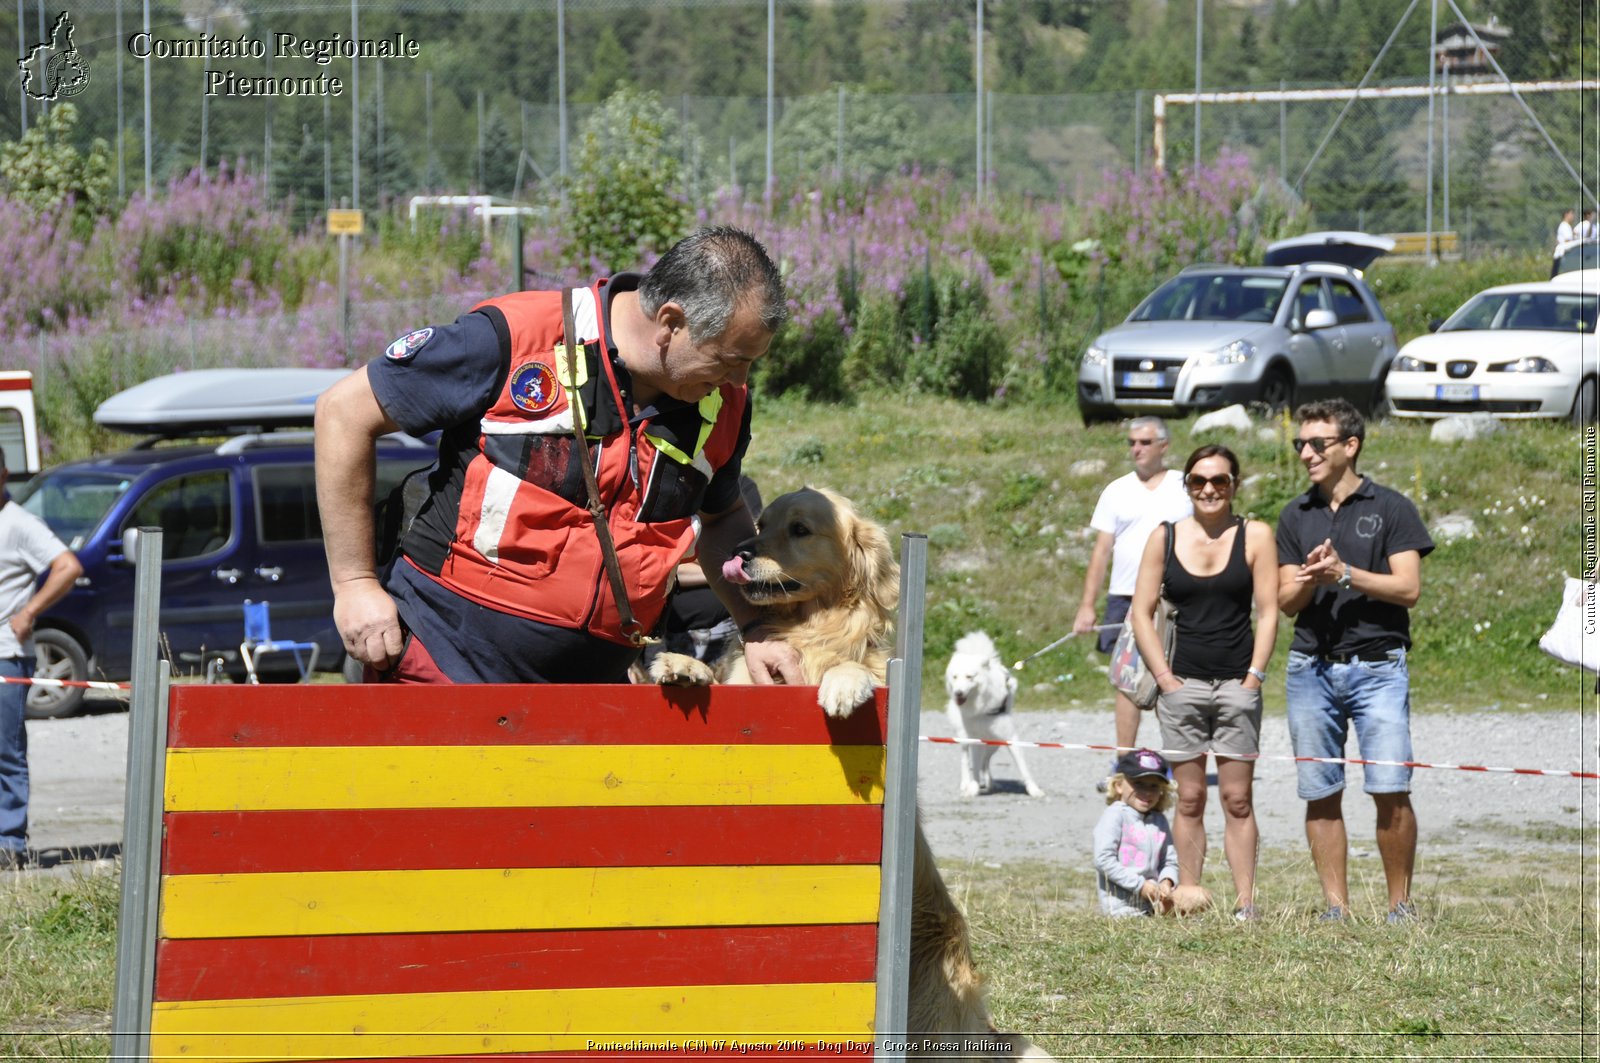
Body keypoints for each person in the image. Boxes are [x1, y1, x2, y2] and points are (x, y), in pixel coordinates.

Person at [314, 226, 804, 687]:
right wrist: (355, 584)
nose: (740, 382)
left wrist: (755, 624)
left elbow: (724, 519)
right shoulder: (514, 337)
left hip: (592, 696)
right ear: (671, 322)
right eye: (731, 360)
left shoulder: (723, 403)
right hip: (443, 665)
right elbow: (343, 412)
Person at [1276, 398, 1433, 925]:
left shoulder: (1391, 507)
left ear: (1351, 446)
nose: (1306, 453)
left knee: (1390, 788)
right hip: (1310, 670)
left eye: (1317, 443)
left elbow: (1408, 588)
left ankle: (1400, 906)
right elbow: (1283, 602)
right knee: (1320, 792)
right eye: (1300, 443)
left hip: (1378, 668)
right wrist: (1304, 580)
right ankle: (1336, 909)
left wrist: (1345, 574)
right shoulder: (1295, 515)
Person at [1129, 444, 1277, 922]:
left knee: (1237, 799)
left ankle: (1245, 903)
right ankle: (1188, 897)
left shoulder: (1255, 534)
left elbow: (1269, 610)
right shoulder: (1165, 537)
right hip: (1183, 685)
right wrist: (1165, 679)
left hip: (1237, 684)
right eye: (1199, 481)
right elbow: (1141, 611)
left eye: (1220, 481)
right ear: (1187, 485)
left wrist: (1254, 677)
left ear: (1235, 485)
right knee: (1190, 797)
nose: (1209, 489)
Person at [1072, 416, 1192, 779]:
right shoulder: (1117, 490)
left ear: (1163, 446)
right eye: (1131, 443)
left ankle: (1175, 758)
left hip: (1171, 596)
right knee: (1127, 679)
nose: (1136, 449)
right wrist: (1087, 605)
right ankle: (1125, 760)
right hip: (1125, 596)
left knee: (1170, 675)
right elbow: (1101, 550)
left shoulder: (1183, 486)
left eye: (1144, 442)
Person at [0, 447, 83, 870]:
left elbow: (67, 565)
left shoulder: (20, 524)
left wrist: (29, 612)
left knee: (5, 752)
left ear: (4, 473)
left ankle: (9, 844)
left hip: (6, 658)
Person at [637, 475, 763, 679]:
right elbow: (650, 565)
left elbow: (746, 557)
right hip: (665, 598)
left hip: (712, 596)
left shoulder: (741, 487)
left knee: (742, 596)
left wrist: (685, 562)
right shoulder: (660, 485)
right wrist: (718, 570)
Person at [1093, 747, 1179, 917]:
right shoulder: (1115, 815)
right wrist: (1140, 886)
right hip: (1121, 907)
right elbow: (1103, 860)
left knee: (1201, 896)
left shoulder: (1159, 820)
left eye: (1154, 786)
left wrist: (1166, 881)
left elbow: (1169, 861)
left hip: (1154, 901)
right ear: (1118, 786)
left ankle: (1158, 914)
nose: (1147, 792)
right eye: (1138, 784)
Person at [1552, 208, 1576, 277]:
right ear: (1566, 214)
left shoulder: (1565, 226)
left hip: (1562, 256)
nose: (1573, 216)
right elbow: (1567, 241)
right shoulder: (1565, 226)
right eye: (1571, 214)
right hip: (1562, 256)